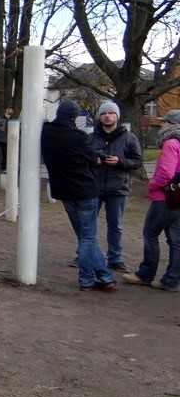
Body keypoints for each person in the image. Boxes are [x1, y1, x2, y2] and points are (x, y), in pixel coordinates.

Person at [41, 100, 117, 292]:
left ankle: (104, 275)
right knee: (88, 238)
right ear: (74, 117)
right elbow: (94, 159)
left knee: (84, 237)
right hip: (85, 191)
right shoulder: (78, 136)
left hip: (64, 192)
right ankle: (86, 279)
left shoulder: (46, 132)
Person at [123, 110, 180, 291]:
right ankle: (171, 280)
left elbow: (166, 173)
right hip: (178, 197)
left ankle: (145, 275)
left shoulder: (171, 144)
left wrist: (152, 185)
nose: (161, 125)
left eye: (164, 122)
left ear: (171, 125)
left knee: (150, 234)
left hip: (165, 197)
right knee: (176, 241)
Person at [86, 102, 143, 273]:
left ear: (117, 116)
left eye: (111, 113)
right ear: (100, 116)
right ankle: (85, 253)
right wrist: (93, 161)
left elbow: (137, 161)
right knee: (88, 224)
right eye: (104, 113)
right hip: (94, 187)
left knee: (116, 225)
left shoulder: (129, 138)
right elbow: (82, 159)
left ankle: (115, 258)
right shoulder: (91, 138)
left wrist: (120, 162)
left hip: (117, 187)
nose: (107, 116)